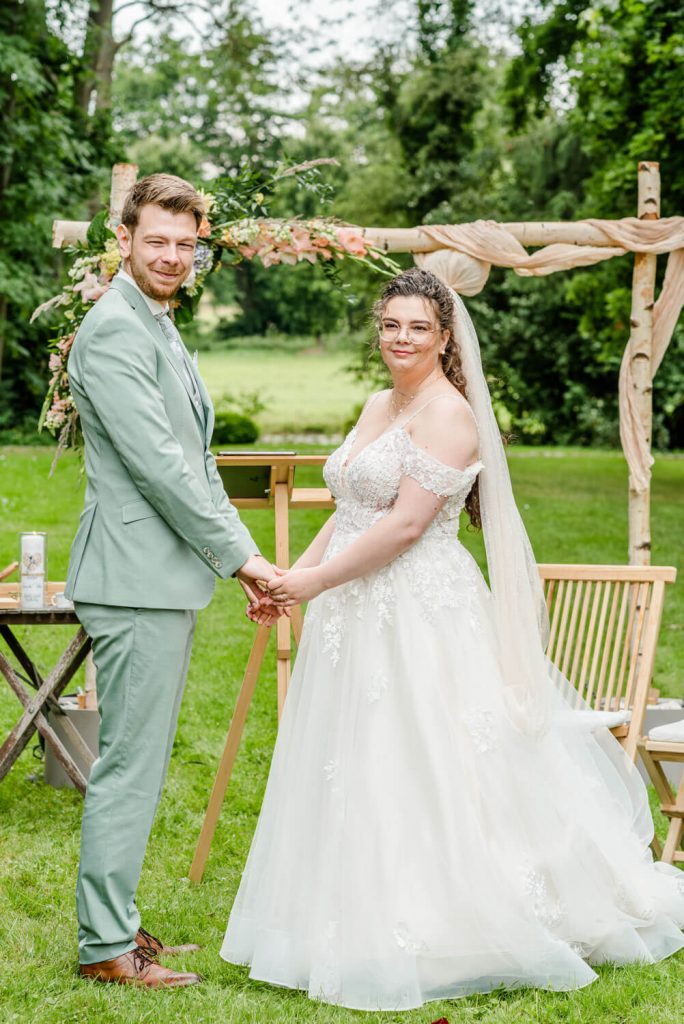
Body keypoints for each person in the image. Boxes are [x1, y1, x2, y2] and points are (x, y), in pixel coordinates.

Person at [221, 268, 684, 1011]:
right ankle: (348, 914)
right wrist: (286, 578)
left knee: (430, 754)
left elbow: (404, 527)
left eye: (418, 328)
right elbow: (351, 511)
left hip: (417, 611)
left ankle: (450, 917)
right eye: (390, 325)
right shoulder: (379, 403)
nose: (401, 340)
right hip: (356, 604)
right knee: (357, 756)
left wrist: (316, 584)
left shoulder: (449, 414)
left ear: (444, 338)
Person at [65, 173, 279, 988]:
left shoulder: (154, 322)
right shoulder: (116, 329)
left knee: (140, 761)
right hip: (133, 580)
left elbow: (195, 460)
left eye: (187, 244)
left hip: (157, 576)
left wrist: (239, 555)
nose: (172, 256)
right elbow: (161, 471)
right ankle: (106, 950)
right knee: (130, 765)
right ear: (123, 238)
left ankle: (116, 926)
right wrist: (245, 560)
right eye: (157, 239)